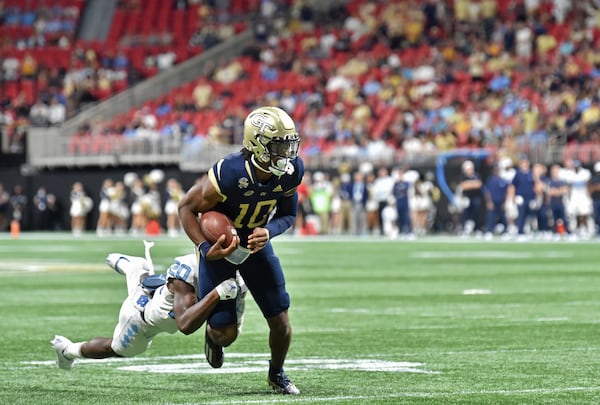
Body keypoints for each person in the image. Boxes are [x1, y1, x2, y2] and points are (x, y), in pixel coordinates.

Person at [178, 106, 302, 395]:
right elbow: (186, 207)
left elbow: (288, 215)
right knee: (225, 334)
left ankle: (276, 374)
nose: (286, 154)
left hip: (256, 246)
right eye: (278, 146)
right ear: (258, 145)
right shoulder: (229, 173)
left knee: (281, 322)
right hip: (222, 247)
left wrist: (268, 231)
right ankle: (213, 336)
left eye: (288, 145)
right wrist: (205, 246)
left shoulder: (291, 172)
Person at [51, 241, 243, 369]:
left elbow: (234, 314)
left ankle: (136, 268)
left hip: (160, 305)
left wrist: (220, 338)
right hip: (141, 316)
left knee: (145, 285)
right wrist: (217, 293)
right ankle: (67, 351)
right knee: (117, 349)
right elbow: (185, 324)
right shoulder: (188, 269)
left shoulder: (240, 276)